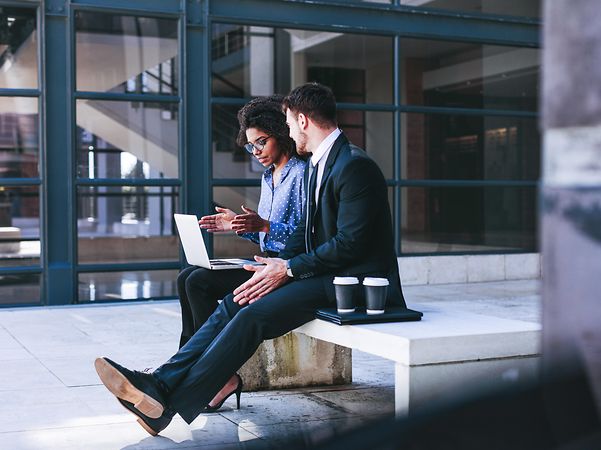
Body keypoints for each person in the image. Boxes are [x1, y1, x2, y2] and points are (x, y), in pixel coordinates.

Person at [94, 82, 407, 436]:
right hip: (322, 272)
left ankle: (165, 402)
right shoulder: (324, 164)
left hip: (354, 284)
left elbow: (350, 245)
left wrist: (287, 267)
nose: (286, 131)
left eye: (287, 124)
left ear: (302, 120)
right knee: (234, 301)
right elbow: (309, 234)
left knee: (251, 314)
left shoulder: (353, 166)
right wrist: (271, 261)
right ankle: (161, 386)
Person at [177, 95, 305, 348]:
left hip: (285, 269)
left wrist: (265, 226)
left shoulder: (300, 174)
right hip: (263, 260)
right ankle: (186, 355)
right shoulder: (268, 177)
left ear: (281, 133)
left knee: (198, 282)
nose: (256, 152)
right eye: (250, 146)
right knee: (186, 276)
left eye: (261, 142)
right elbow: (263, 229)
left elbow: (307, 236)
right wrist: (237, 224)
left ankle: (202, 358)